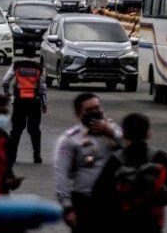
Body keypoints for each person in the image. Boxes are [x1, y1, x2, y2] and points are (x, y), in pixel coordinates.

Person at [91, 113, 167, 233]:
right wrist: (154, 201)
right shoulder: (160, 157)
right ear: (148, 134)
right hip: (150, 223)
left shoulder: (116, 160)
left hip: (121, 222)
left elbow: (98, 193)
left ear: (123, 134)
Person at [54, 93, 123, 233]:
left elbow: (134, 148)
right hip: (85, 201)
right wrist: (67, 207)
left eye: (97, 108)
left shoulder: (114, 131)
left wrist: (110, 131)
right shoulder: (70, 139)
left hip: (114, 200)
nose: (95, 112)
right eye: (89, 110)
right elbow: (61, 174)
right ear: (78, 114)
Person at [2, 50, 47, 164]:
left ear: (23, 54)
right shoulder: (39, 67)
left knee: (16, 130)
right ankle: (37, 157)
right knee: (35, 130)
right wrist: (44, 103)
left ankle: (12, 157)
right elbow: (42, 87)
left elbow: (6, 80)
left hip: (19, 101)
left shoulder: (16, 65)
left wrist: (7, 94)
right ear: (35, 55)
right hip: (34, 102)